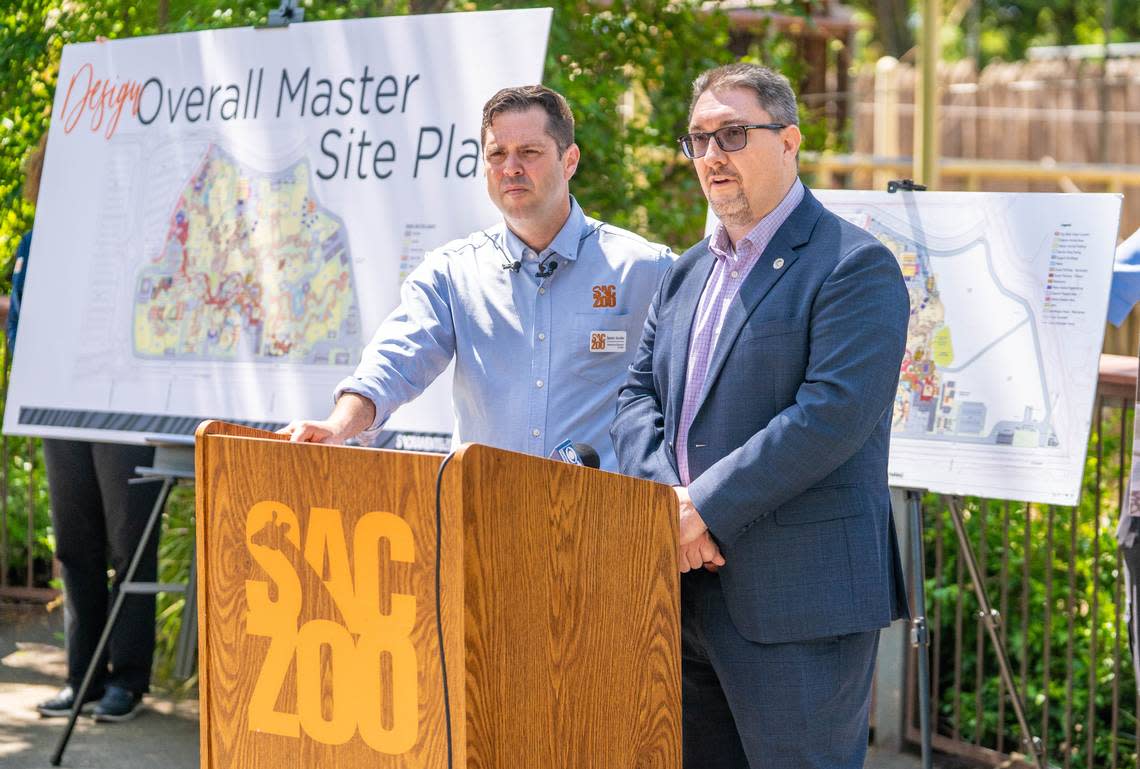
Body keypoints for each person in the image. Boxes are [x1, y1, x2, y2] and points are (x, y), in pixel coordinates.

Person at [610, 63, 910, 768]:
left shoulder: (853, 265)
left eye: (733, 134)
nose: (712, 155)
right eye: (698, 141)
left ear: (789, 141)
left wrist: (701, 508)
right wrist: (670, 507)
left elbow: (830, 415)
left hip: (798, 603)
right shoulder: (686, 272)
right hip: (682, 592)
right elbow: (633, 397)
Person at [283, 85, 673, 468]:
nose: (511, 168)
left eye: (529, 152)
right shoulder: (452, 273)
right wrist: (338, 425)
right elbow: (393, 364)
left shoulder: (646, 269)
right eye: (497, 154)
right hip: (482, 515)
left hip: (604, 518)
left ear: (569, 160)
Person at [11, 135, 163, 723]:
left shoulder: (126, 236)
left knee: (130, 545)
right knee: (75, 548)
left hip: (126, 410)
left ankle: (127, 680)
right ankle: (84, 679)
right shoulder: (35, 243)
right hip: (60, 411)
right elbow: (21, 329)